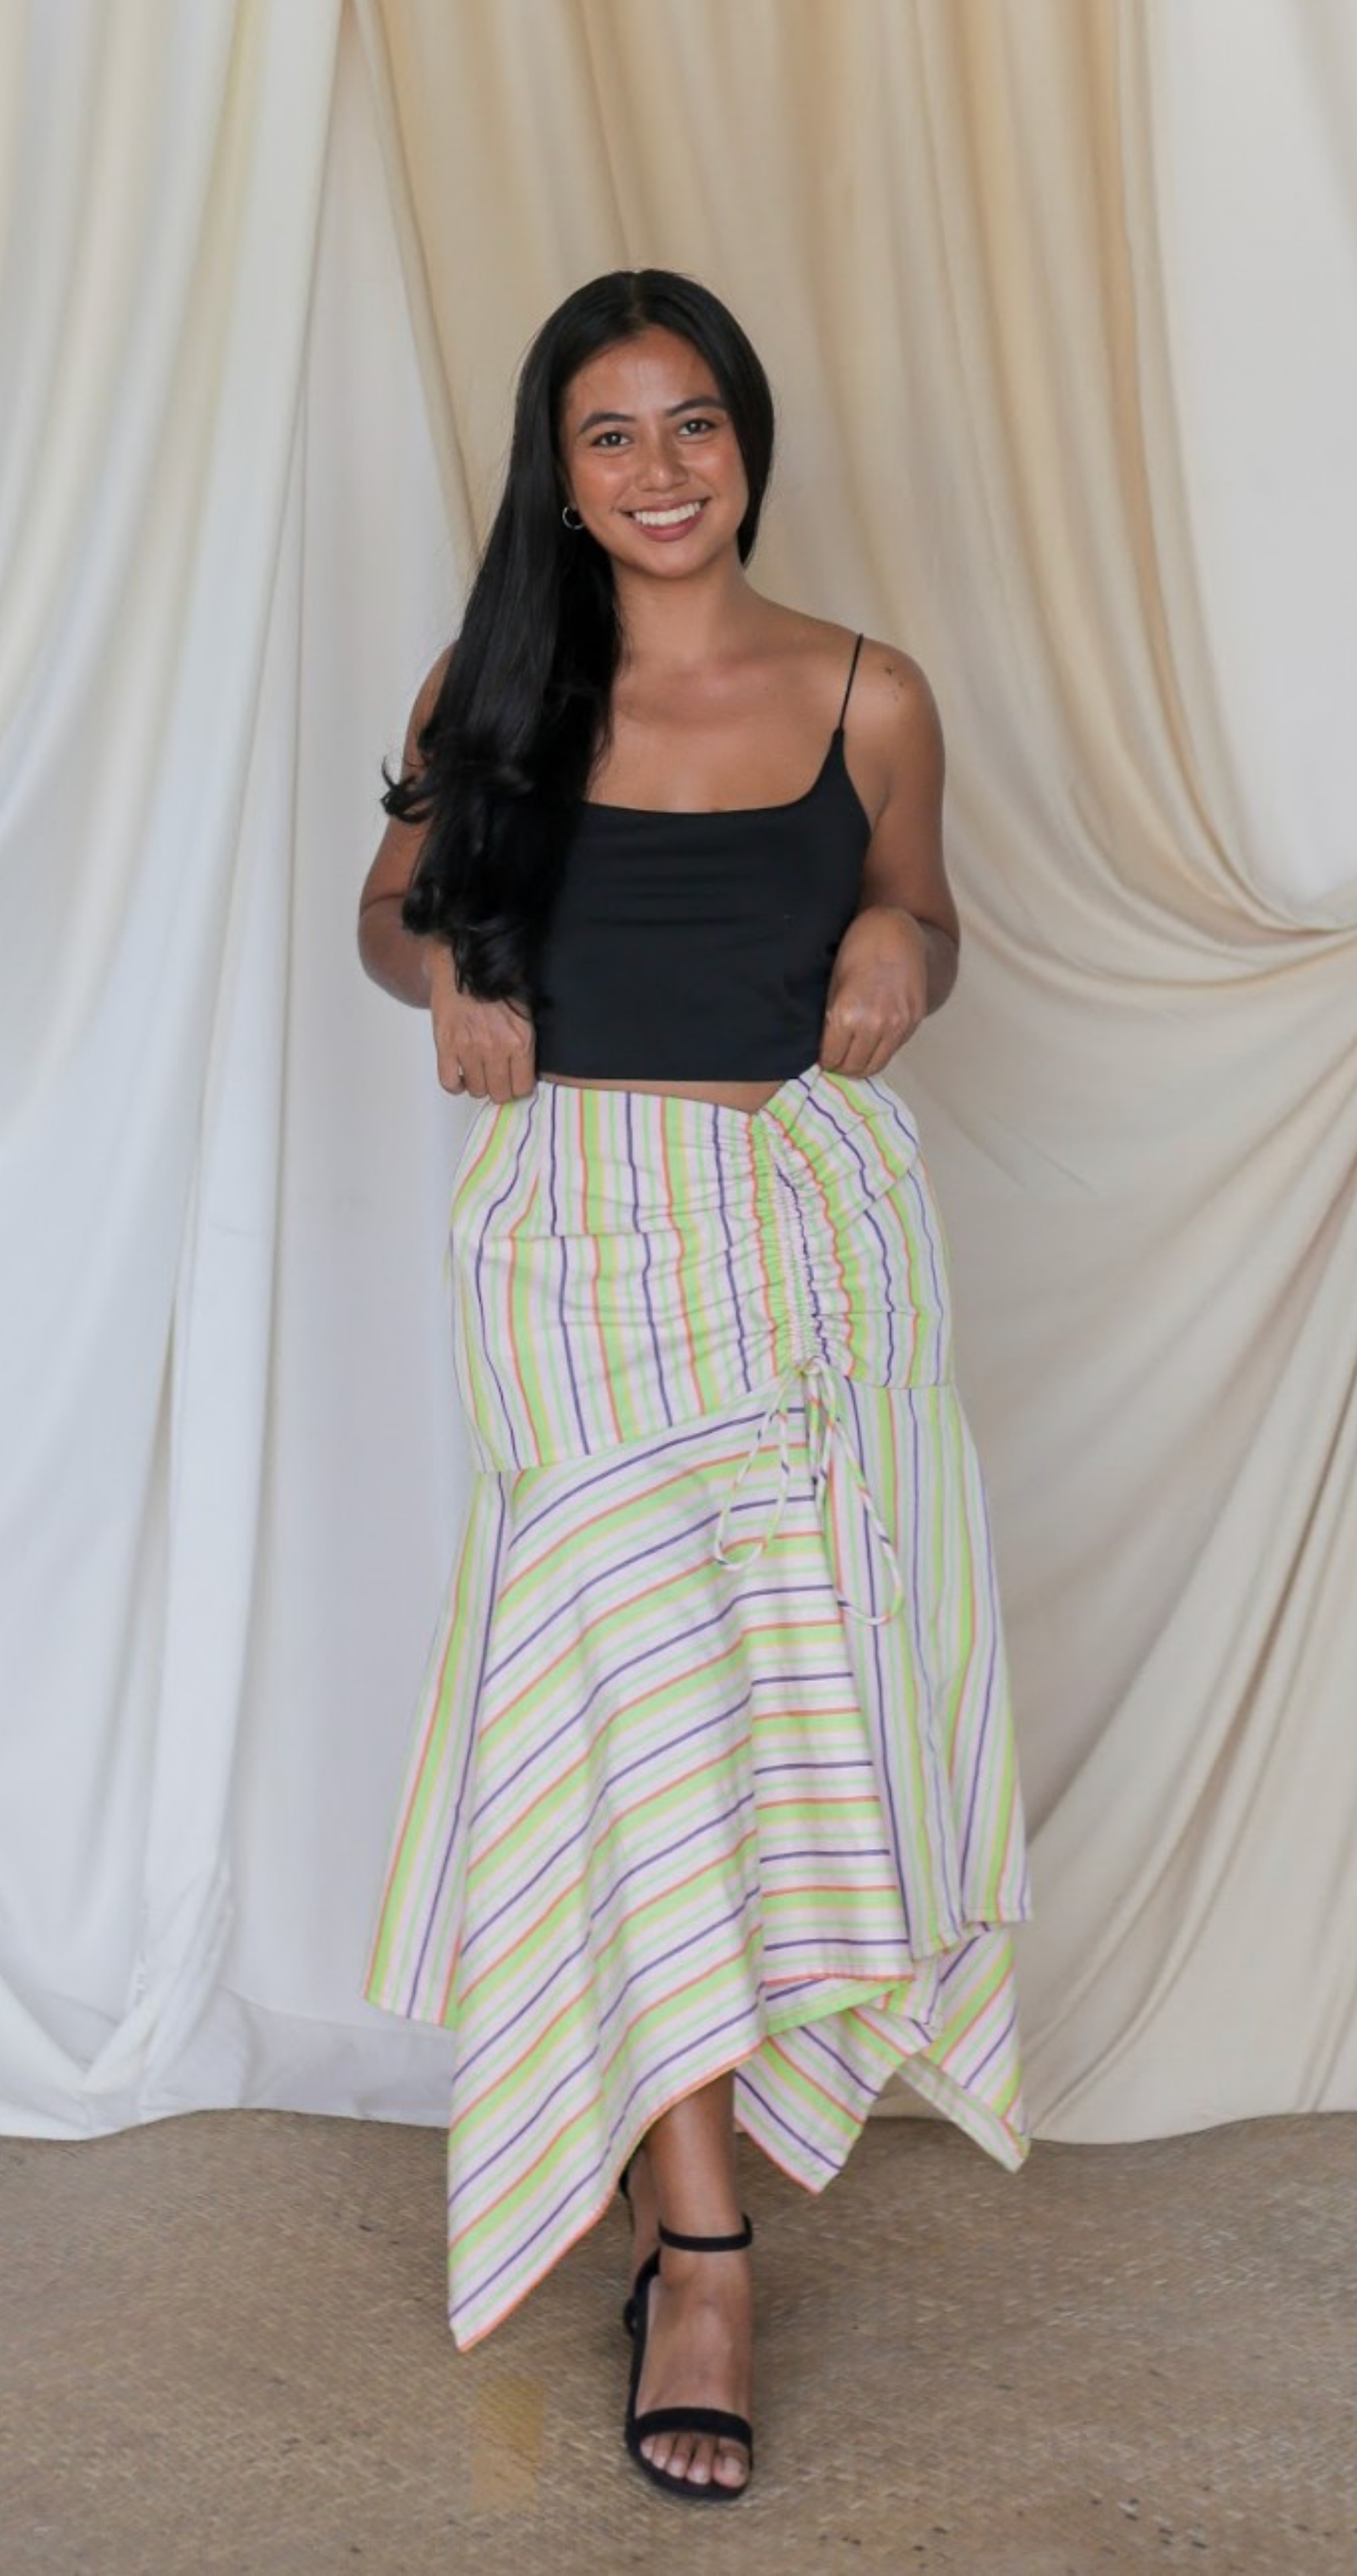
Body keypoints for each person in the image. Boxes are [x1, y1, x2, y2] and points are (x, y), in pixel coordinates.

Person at [357, 269, 1032, 2506]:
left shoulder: (866, 691)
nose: (658, 471)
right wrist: (453, 964)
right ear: (559, 476)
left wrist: (895, 940)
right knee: (630, 1719)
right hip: (574, 1249)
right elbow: (388, 910)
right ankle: (705, 2251)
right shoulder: (494, 686)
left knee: (774, 1718)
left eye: (692, 425)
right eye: (609, 435)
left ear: (746, 442)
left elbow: (926, 916)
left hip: (816, 1254)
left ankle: (696, 2203)